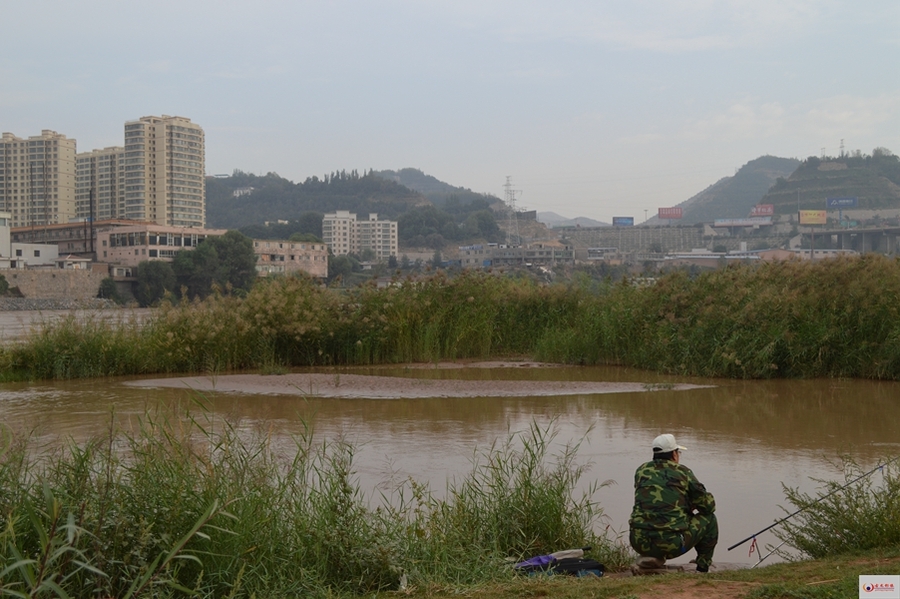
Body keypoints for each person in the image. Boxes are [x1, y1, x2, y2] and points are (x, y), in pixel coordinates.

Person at [628, 433, 718, 573]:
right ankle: (703, 567)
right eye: (678, 452)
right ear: (674, 455)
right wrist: (690, 505)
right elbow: (708, 507)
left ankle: (651, 558)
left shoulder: (641, 471)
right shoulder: (683, 472)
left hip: (638, 541)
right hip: (672, 544)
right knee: (710, 519)